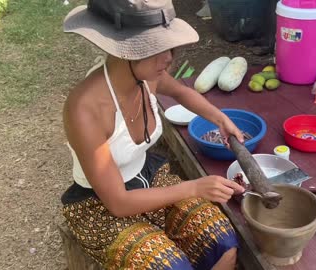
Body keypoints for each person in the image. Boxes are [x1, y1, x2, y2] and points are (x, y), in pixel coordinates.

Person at [60, 0, 246, 269]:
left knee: (222, 241)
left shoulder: (148, 76)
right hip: (100, 203)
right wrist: (194, 187)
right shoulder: (84, 109)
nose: (169, 57)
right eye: (155, 48)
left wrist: (219, 118)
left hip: (148, 176)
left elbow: (182, 92)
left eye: (168, 46)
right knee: (169, 265)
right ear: (125, 51)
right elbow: (118, 203)